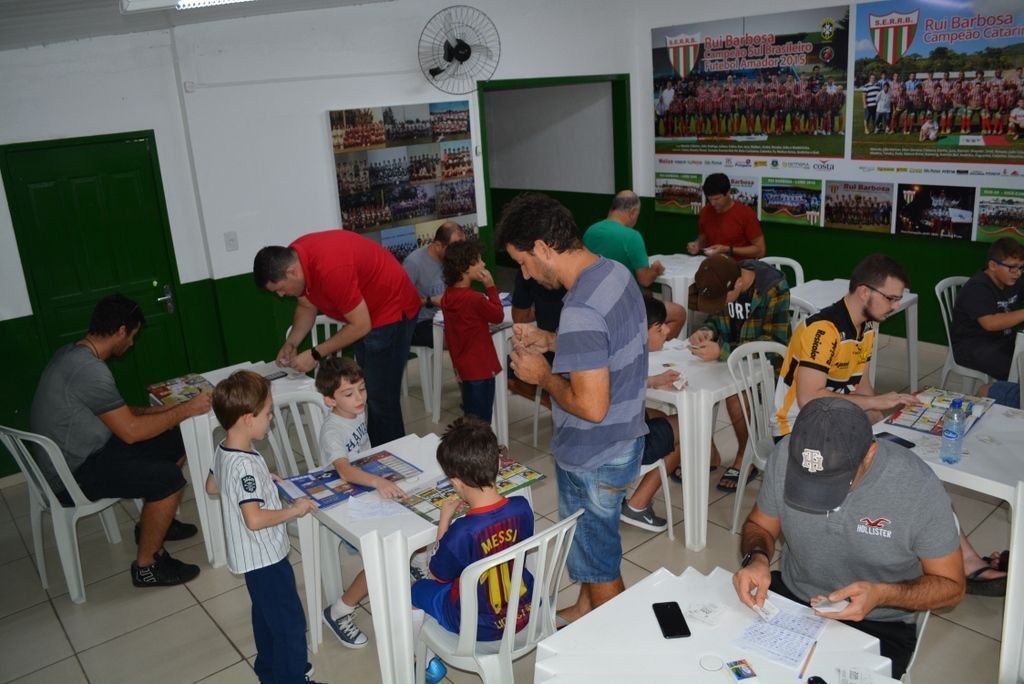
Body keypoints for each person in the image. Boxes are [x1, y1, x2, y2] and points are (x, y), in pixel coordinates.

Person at [733, 396, 964, 679]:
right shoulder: (785, 456)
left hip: (878, 620)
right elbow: (761, 526)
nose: (819, 496)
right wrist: (756, 559)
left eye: (834, 481)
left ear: (869, 452)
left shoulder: (917, 486)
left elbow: (952, 586)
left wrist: (881, 595)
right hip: (794, 598)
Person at [500, 192, 648, 622]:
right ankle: (584, 610)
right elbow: (605, 345)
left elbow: (591, 406)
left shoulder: (581, 307)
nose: (524, 275)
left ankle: (615, 640)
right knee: (593, 544)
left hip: (595, 451)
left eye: (524, 263)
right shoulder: (613, 273)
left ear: (544, 248)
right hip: (624, 439)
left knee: (599, 562)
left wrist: (542, 376)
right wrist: (550, 342)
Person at [30, 294, 208, 588]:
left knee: (177, 440)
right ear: (122, 331)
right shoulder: (91, 371)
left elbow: (117, 413)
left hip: (82, 453)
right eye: (133, 335)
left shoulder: (72, 353)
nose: (133, 343)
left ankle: (156, 523)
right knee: (168, 479)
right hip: (72, 475)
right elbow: (131, 431)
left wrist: (167, 409)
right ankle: (147, 566)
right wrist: (187, 409)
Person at [206, 371, 322, 684]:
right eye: (268, 414)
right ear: (247, 418)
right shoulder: (244, 464)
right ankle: (292, 678)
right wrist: (292, 510)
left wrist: (262, 480)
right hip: (265, 557)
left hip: (250, 560)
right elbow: (254, 519)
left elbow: (212, 486)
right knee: (290, 624)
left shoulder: (225, 448)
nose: (271, 420)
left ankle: (270, 671)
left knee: (266, 616)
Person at [253, 230, 421, 446]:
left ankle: (392, 458)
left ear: (291, 272)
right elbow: (306, 305)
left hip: (391, 310)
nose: (281, 295)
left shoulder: (331, 269)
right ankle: (372, 449)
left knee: (380, 398)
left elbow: (360, 325)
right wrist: (291, 342)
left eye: (281, 289)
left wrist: (315, 353)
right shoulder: (295, 256)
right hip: (365, 313)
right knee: (366, 388)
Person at [411, 417, 534, 640]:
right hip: (524, 610)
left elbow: (436, 574)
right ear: (498, 463)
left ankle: (424, 662)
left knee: (416, 590)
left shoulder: (462, 531)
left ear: (456, 483)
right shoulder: (522, 508)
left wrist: (444, 521)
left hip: (479, 625)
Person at [314, 356, 406, 648]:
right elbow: (344, 469)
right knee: (383, 554)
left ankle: (411, 561)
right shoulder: (332, 430)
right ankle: (339, 611)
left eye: (362, 390)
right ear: (329, 400)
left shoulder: (355, 413)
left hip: (361, 488)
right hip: (340, 501)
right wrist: (379, 481)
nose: (359, 399)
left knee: (409, 511)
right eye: (349, 394)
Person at [773, 254, 918, 438]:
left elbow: (862, 387)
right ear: (864, 292)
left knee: (886, 453)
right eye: (891, 298)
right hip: (796, 428)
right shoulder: (823, 330)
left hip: (834, 420)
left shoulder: (867, 326)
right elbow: (808, 399)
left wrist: (882, 430)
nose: (896, 306)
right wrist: (874, 402)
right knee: (861, 463)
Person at [687, 255, 790, 491]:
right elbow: (715, 318)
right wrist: (706, 332)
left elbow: (775, 344)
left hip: (766, 367)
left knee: (736, 396)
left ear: (738, 284)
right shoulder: (724, 278)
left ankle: (746, 453)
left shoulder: (773, 287)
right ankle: (709, 452)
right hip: (729, 359)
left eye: (724, 300)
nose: (722, 305)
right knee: (691, 382)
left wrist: (722, 351)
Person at [583, 190, 686, 339]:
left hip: (596, 302)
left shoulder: (590, 231)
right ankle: (654, 351)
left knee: (648, 295)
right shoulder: (632, 236)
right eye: (637, 215)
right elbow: (645, 279)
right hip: (626, 305)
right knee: (679, 313)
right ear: (632, 212)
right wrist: (655, 270)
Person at [620, 296, 682, 533]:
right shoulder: (635, 355)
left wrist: (653, 381)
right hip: (623, 445)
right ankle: (637, 505)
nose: (667, 330)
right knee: (690, 427)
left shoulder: (622, 350)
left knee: (657, 413)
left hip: (608, 435)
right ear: (640, 331)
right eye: (660, 327)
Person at [440, 239, 505, 422]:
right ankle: (483, 450)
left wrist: (456, 368)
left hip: (464, 369)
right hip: (481, 369)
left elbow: (451, 338)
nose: (483, 264)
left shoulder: (448, 296)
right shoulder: (474, 299)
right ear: (464, 268)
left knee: (472, 418)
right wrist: (491, 287)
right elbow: (498, 315)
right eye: (477, 260)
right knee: (482, 422)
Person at [950, 237, 1024, 381]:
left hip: (1002, 341)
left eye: (1021, 267)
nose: (1018, 273)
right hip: (972, 347)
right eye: (1012, 267)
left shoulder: (1013, 282)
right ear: (993, 265)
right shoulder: (977, 288)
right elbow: (990, 323)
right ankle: (994, 393)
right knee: (1020, 369)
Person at [402, 222, 466, 348]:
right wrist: (431, 301)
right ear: (438, 245)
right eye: (453, 248)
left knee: (476, 329)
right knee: (457, 340)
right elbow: (401, 303)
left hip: (447, 316)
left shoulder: (452, 259)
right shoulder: (413, 264)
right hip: (420, 323)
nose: (457, 253)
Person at [687, 174, 766, 261]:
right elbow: (704, 236)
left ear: (728, 193)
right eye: (710, 199)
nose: (713, 203)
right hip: (713, 264)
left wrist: (728, 249)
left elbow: (760, 250)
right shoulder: (706, 212)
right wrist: (697, 244)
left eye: (717, 199)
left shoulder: (746, 214)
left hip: (740, 267)